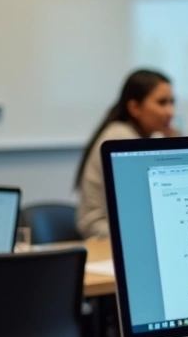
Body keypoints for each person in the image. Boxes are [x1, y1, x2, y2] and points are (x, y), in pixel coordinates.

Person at [75, 69, 175, 239]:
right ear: (135, 107)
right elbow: (141, 207)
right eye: (162, 103)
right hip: (103, 233)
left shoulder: (154, 136)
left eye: (172, 102)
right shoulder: (120, 138)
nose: (170, 112)